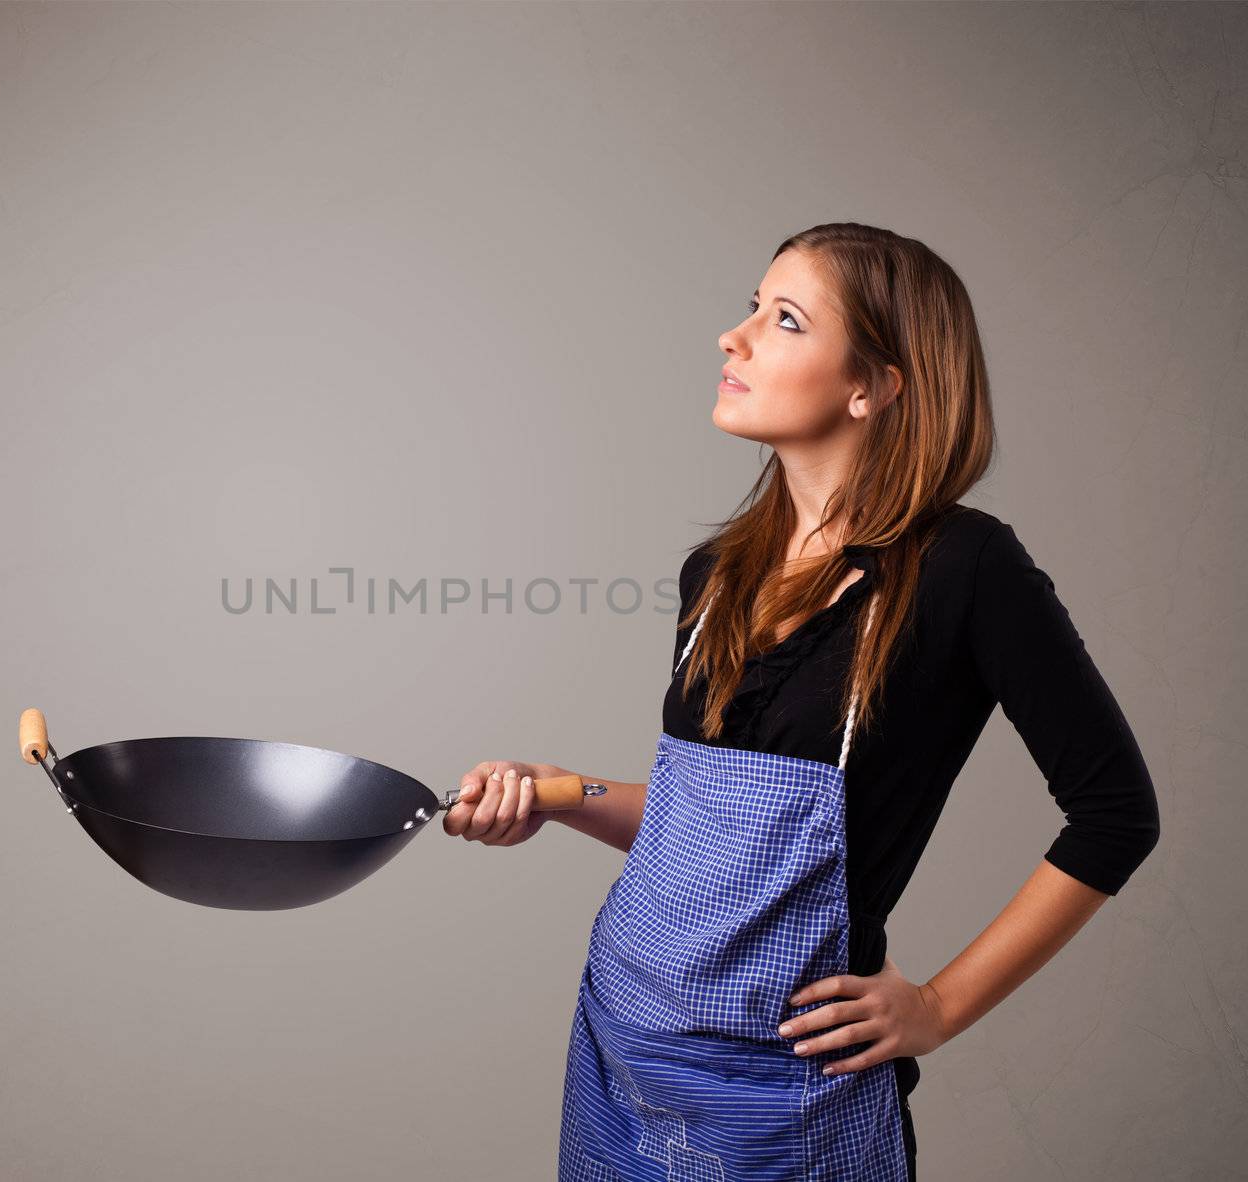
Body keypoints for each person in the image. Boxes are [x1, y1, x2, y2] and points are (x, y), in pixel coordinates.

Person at [443, 222, 1162, 1182]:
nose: (732, 338)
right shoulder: (717, 573)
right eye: (751, 308)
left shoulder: (963, 568)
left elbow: (1117, 815)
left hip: (786, 1086)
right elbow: (713, 833)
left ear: (875, 385)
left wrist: (939, 1008)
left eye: (783, 320)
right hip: (624, 1049)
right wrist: (561, 792)